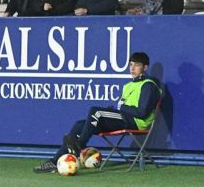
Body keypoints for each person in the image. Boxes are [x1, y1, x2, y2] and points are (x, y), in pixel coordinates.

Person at [33, 52, 162, 174]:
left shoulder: (148, 85)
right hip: (124, 119)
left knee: (96, 111)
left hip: (136, 122)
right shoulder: (128, 86)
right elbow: (122, 108)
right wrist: (116, 109)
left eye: (137, 65)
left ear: (145, 67)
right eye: (130, 65)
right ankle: (54, 162)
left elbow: (142, 112)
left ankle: (79, 145)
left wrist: (122, 107)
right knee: (80, 125)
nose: (132, 68)